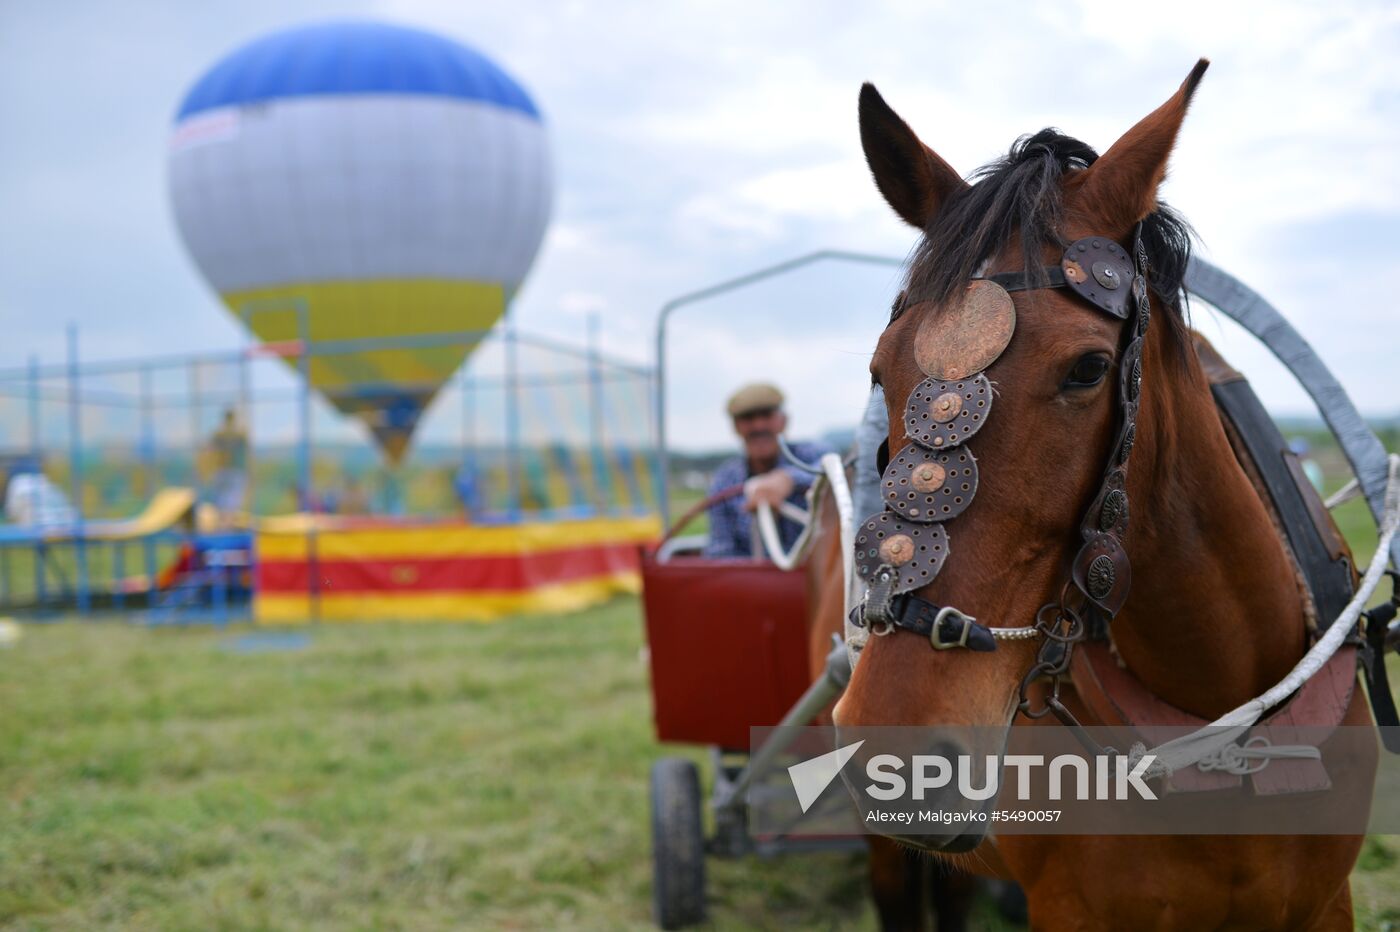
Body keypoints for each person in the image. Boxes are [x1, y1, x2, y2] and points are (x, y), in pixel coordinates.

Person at [705, 383, 829, 559]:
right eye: (748, 418)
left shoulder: (809, 455)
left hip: (817, 577)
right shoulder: (724, 482)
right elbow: (721, 552)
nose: (758, 425)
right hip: (752, 583)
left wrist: (788, 479)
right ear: (736, 427)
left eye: (766, 415)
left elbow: (834, 470)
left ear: (783, 420)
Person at [206, 408, 249, 517]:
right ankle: (228, 524)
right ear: (233, 419)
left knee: (223, 505)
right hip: (232, 471)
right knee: (231, 505)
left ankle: (225, 524)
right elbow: (247, 455)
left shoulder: (219, 435)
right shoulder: (239, 435)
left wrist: (211, 470)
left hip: (225, 470)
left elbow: (211, 454)